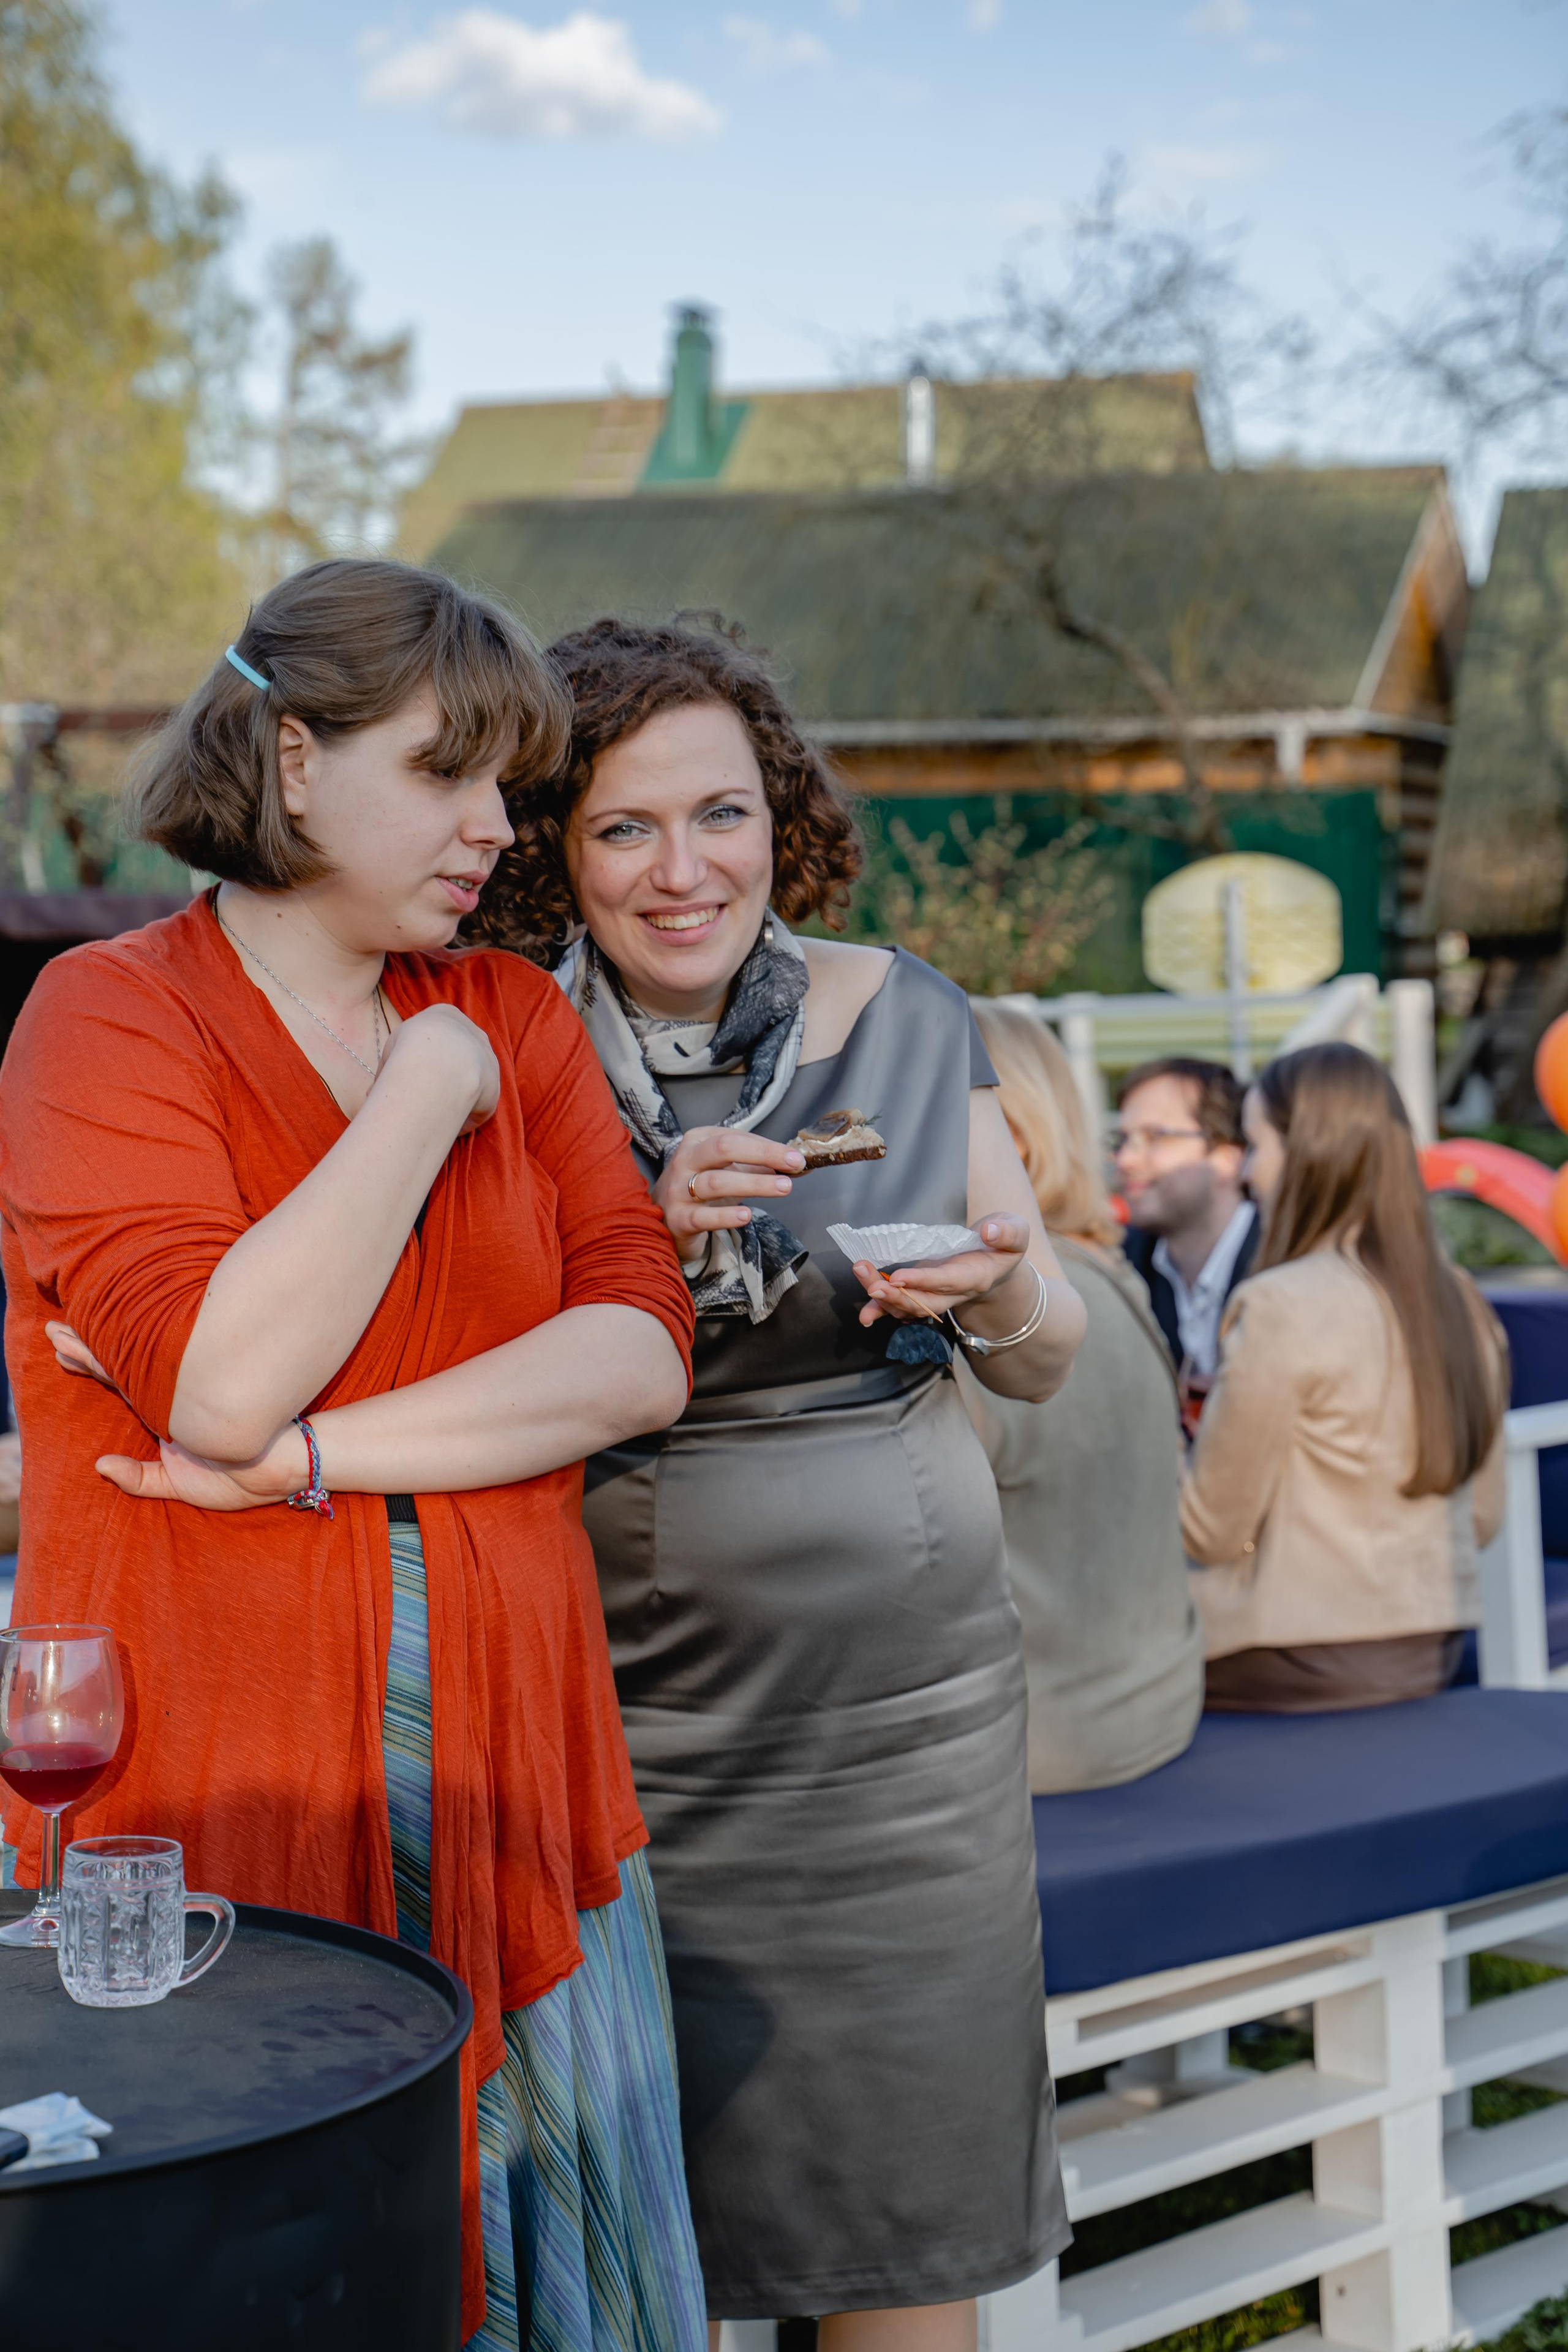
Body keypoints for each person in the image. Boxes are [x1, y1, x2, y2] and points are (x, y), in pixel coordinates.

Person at [0, 561, 709, 2352]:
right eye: (444, 771)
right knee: (277, 2270)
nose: (494, 830)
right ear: (294, 760)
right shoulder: (106, 1016)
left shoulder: (521, 1011)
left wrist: (313, 1456)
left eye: (505, 785)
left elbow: (637, 1355)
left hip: (512, 1762)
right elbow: (220, 1382)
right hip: (219, 1791)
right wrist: (422, 1087)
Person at [477, 616, 1086, 2349]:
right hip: (629, 1721)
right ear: (555, 847)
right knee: (638, 2211)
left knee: (907, 2213)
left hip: (909, 1731)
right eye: (625, 828)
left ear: (779, 816)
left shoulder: (908, 1010)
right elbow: (476, 1373)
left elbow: (1044, 1351)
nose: (685, 871)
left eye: (721, 814)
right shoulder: (504, 1049)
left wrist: (997, 1290)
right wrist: (638, 1250)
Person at [1182, 1042, 1509, 1713]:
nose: (1244, 1171)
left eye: (1255, 1145)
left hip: (1286, 1656)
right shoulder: (1459, 1298)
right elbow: (1481, 1517)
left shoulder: (1279, 1304)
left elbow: (1209, 1531)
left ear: (1308, 1156)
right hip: (1430, 1648)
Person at [962, 1001, 1203, 1791]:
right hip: (1157, 1708)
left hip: (1036, 1751)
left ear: (1009, 1137)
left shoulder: (988, 1311)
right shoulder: (1114, 1279)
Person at [1115, 1057, 1259, 1423]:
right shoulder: (1122, 1265)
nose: (1125, 1160)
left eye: (1155, 1137)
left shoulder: (1286, 1259)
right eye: (1122, 1140)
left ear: (1227, 1158)